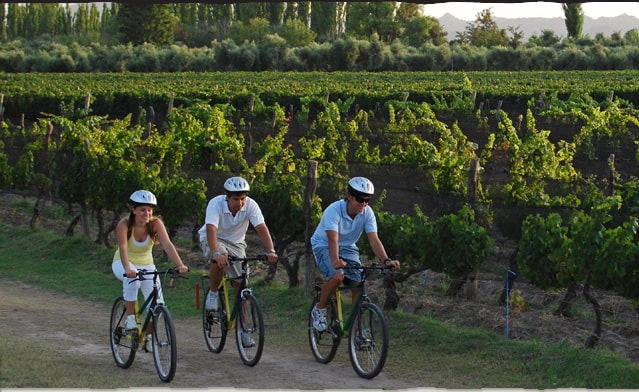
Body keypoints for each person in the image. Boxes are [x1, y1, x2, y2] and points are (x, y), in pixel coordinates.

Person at [310, 176, 400, 332]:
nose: (364, 204)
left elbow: (374, 239)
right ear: (349, 196)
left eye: (368, 200)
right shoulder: (334, 210)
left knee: (358, 285)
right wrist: (335, 261)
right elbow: (333, 239)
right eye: (360, 199)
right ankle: (320, 309)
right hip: (324, 244)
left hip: (348, 247)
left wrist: (386, 260)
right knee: (338, 276)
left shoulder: (367, 213)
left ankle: (357, 334)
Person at [198, 176, 278, 347]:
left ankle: (243, 330)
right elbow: (211, 229)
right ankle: (212, 294)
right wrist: (215, 252)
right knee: (221, 258)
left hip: (236, 243)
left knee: (242, 287)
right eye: (236, 199)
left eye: (243, 198)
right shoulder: (215, 204)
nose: (240, 203)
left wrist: (270, 250)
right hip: (213, 238)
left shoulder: (251, 205)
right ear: (227, 197)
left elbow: (261, 228)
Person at [111, 190, 188, 352]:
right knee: (133, 279)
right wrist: (127, 268)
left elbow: (167, 245)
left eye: (149, 210)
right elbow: (123, 248)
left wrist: (180, 265)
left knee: (157, 304)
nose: (147, 213)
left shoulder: (155, 224)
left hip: (147, 265)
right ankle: (131, 319)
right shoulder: (124, 224)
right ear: (133, 210)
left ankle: (150, 337)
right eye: (142, 210)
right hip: (123, 262)